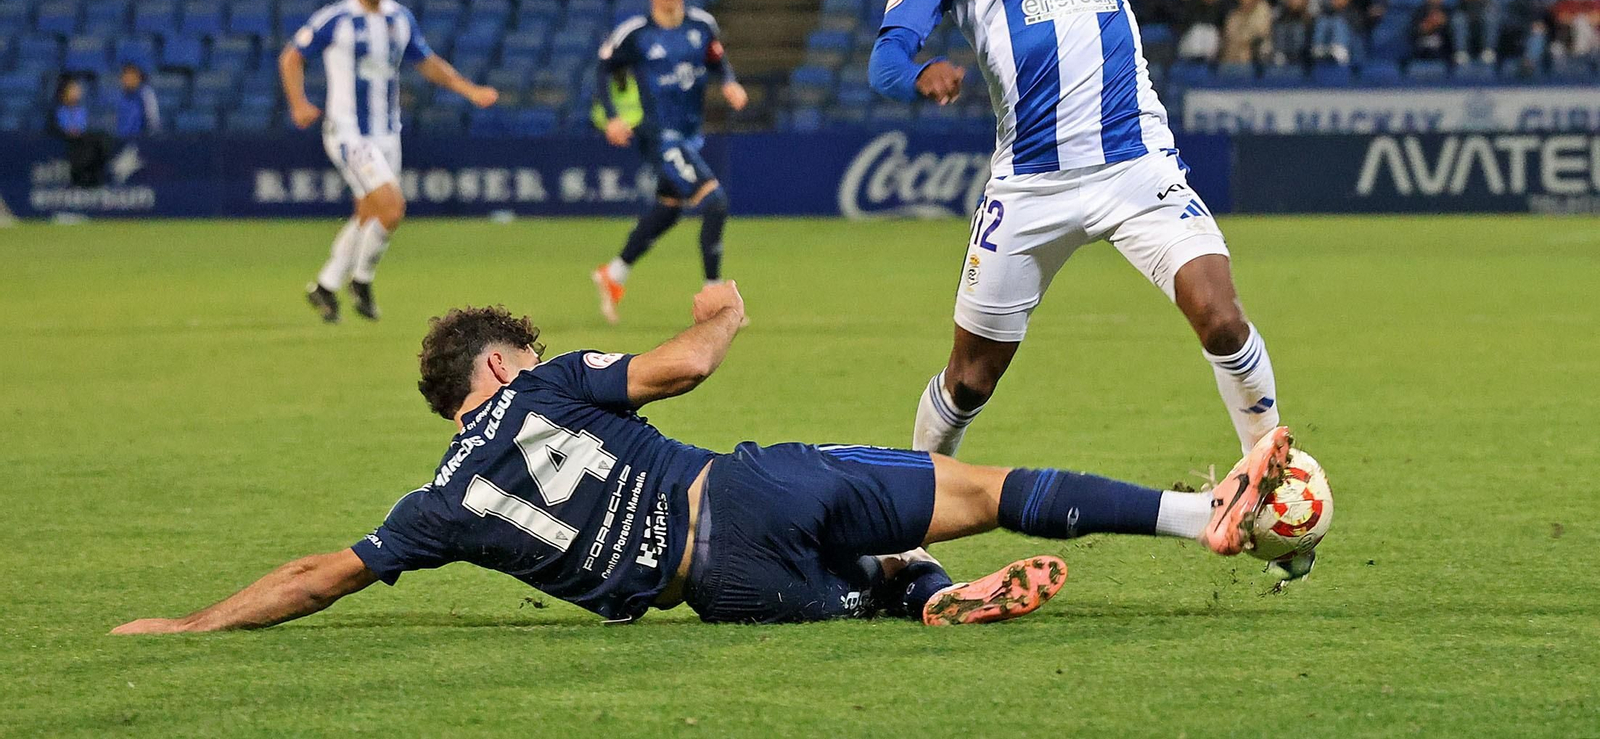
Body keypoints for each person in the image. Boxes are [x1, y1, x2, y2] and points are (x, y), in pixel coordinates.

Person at [111, 292, 1298, 634]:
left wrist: (193, 626)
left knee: (874, 576)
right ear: (496, 366)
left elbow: (324, 570)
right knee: (980, 494)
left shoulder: (439, 502)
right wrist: (721, 311)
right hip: (731, 486)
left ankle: (914, 598)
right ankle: (1202, 515)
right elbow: (677, 367)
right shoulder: (537, 379)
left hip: (717, 591)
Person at [869, 0, 1302, 578]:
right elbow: (886, 54)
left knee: (1221, 314)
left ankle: (1267, 483)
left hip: (1136, 162)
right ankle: (904, 524)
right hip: (1030, 183)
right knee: (969, 378)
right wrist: (921, 71)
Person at [280, 0, 498, 324]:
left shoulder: (400, 18)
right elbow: (291, 57)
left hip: (387, 132)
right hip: (349, 132)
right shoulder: (336, 19)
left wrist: (469, 90)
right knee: (392, 207)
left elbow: (427, 62)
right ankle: (361, 282)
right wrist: (299, 103)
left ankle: (326, 286)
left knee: (368, 212)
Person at [592, 0, 748, 323]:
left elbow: (717, 59)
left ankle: (614, 274)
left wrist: (728, 82)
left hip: (689, 134)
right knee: (714, 202)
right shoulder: (635, 33)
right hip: (659, 135)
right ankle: (716, 295)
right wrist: (613, 118)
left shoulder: (701, 26)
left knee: (670, 207)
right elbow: (604, 70)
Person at [115, 63, 161, 139]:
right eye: (124, 76)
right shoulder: (120, 97)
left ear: (138, 77)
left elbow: (153, 121)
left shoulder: (146, 93)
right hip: (122, 139)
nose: (126, 79)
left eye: (130, 76)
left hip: (141, 140)